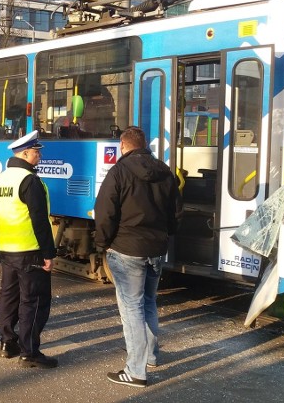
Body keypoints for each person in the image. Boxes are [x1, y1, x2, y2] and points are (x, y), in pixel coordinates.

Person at [94, 126, 181, 388]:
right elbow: (176, 212)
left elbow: (105, 211)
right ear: (144, 145)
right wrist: (165, 235)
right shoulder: (165, 171)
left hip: (126, 248)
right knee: (149, 302)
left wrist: (103, 242)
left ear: (123, 145)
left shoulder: (119, 171)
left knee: (131, 308)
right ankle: (150, 356)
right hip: (156, 249)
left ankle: (136, 371)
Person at [0, 130, 57, 369]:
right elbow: (39, 220)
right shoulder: (30, 180)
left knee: (8, 297)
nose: (39, 156)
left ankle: (7, 343)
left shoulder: (0, 179)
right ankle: (30, 352)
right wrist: (49, 253)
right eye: (36, 152)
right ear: (25, 153)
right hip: (31, 250)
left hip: (7, 248)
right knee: (34, 300)